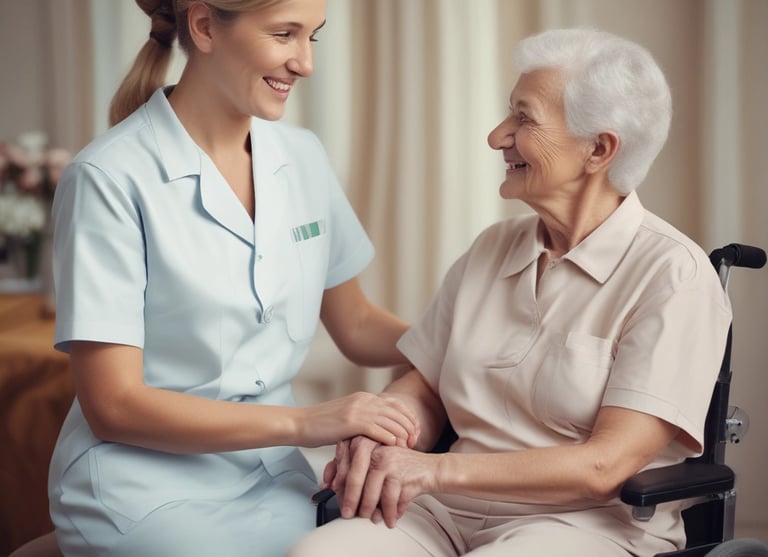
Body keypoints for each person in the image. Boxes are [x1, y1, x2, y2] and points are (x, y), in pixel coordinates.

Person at [287, 27, 733, 557]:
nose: (498, 135)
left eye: (524, 118)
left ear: (598, 149)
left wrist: (432, 469)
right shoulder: (491, 249)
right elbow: (425, 388)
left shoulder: (671, 275)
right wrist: (380, 431)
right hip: (444, 513)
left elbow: (605, 465)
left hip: (582, 525)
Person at [47, 1, 419, 556]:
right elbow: (114, 404)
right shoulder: (108, 177)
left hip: (273, 476)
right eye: (284, 34)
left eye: (312, 37)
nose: (304, 63)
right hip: (144, 487)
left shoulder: (302, 156)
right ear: (202, 26)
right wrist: (308, 421)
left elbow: (357, 322)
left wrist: (458, 346)